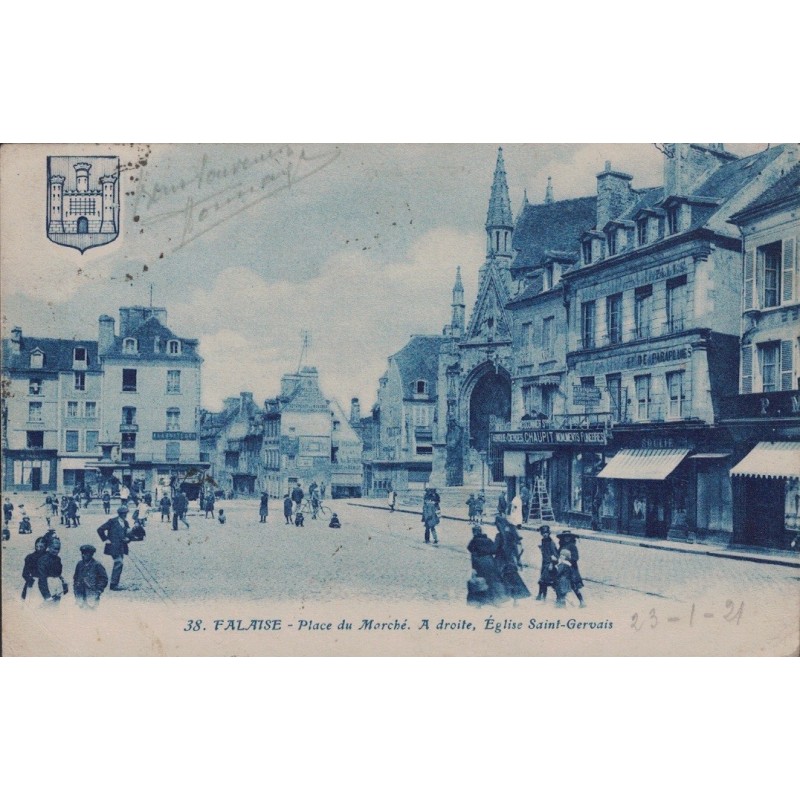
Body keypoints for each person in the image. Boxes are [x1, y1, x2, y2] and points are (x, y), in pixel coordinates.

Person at [467, 525, 505, 606]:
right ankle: (494, 600)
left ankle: (481, 601)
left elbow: (473, 555)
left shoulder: (473, 542)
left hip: (480, 563)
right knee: (491, 581)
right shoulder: (488, 540)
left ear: (474, 532)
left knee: (481, 582)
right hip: (490, 562)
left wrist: (474, 568)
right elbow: (494, 550)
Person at [494, 515, 530, 600]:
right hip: (510, 560)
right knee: (513, 578)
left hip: (500, 560)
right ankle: (515, 598)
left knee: (498, 577)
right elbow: (516, 549)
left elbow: (495, 549)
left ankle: (501, 597)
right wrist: (518, 560)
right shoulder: (511, 534)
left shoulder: (499, 536)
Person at [97, 506, 131, 591]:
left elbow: (128, 534)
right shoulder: (112, 521)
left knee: (119, 563)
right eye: (123, 514)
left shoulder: (126, 523)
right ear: (119, 514)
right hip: (113, 546)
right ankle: (113, 585)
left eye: (126, 513)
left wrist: (128, 539)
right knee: (119, 562)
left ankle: (115, 583)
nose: (125, 515)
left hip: (122, 547)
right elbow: (100, 529)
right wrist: (106, 539)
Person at [73, 544, 109, 608]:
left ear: (91, 554)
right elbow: (75, 577)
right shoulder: (79, 564)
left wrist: (98, 591)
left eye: (86, 554)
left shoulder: (97, 565)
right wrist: (76, 588)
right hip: (80, 593)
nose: (84, 555)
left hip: (92, 593)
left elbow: (104, 579)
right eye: (83, 553)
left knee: (91, 613)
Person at [557, 531, 586, 607]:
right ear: (562, 538)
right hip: (563, 568)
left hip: (571, 568)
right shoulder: (561, 545)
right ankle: (561, 602)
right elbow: (558, 554)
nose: (567, 538)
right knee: (562, 583)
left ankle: (581, 601)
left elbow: (576, 557)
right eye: (565, 536)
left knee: (574, 586)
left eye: (568, 536)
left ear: (571, 537)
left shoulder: (573, 546)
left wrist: (567, 559)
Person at [38, 538, 67, 603]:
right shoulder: (43, 560)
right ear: (49, 547)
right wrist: (47, 595)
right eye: (54, 548)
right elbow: (42, 579)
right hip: (48, 587)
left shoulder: (58, 559)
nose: (56, 551)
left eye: (58, 549)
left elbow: (59, 574)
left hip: (57, 587)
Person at [535, 525, 558, 601]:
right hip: (544, 563)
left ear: (549, 533)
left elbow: (555, 555)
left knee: (546, 581)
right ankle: (540, 595)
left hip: (549, 565)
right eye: (543, 533)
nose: (544, 534)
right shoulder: (543, 541)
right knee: (542, 580)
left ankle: (545, 597)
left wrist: (551, 564)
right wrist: (541, 548)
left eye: (546, 533)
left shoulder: (551, 543)